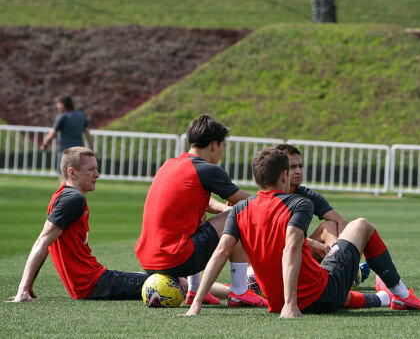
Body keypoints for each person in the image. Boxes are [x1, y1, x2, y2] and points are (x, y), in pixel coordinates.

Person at [186, 148, 420, 317]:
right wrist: (291, 306)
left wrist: (196, 305)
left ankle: (385, 298)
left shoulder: (240, 208)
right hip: (317, 296)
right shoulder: (298, 203)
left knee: (334, 283)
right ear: (283, 175)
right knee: (362, 225)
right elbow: (292, 247)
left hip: (278, 302)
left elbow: (221, 253)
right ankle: (401, 295)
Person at [134, 114, 265, 307]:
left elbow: (202, 201)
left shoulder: (169, 165)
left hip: (147, 262)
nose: (222, 153)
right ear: (214, 145)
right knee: (241, 213)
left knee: (206, 215)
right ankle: (239, 291)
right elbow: (248, 202)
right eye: (223, 146)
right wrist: (280, 200)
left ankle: (195, 290)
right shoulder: (207, 170)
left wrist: (223, 210)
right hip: (176, 259)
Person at [8, 147, 149, 302]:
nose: (97, 174)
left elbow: (47, 243)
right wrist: (23, 288)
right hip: (93, 283)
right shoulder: (73, 200)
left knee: (153, 278)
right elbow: (42, 241)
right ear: (72, 173)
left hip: (93, 281)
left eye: (96, 168)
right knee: (169, 283)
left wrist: (28, 284)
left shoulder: (62, 195)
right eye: (91, 169)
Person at [274, 144, 348, 260]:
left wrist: (344, 249)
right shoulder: (269, 196)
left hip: (298, 256)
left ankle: (339, 263)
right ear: (280, 170)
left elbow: (341, 221)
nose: (298, 171)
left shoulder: (308, 195)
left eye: (300, 166)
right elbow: (279, 236)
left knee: (330, 225)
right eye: (292, 167)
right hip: (272, 258)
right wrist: (315, 244)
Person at [41, 96, 94, 170]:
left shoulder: (62, 116)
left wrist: (45, 144)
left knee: (64, 174)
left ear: (64, 105)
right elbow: (88, 135)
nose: (57, 107)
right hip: (79, 151)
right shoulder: (81, 115)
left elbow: (52, 133)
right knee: (76, 174)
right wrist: (91, 149)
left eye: (59, 105)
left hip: (65, 151)